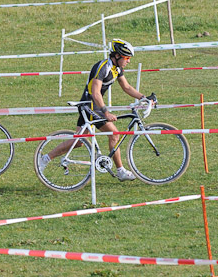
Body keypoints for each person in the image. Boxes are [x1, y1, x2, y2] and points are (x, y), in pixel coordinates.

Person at [37, 39, 153, 181]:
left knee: (79, 141)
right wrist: (106, 112)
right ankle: (121, 171)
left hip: (91, 105)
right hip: (91, 105)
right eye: (127, 58)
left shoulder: (117, 69)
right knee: (114, 135)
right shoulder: (103, 67)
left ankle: (45, 158)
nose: (129, 61)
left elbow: (127, 87)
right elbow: (95, 92)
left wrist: (144, 98)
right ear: (117, 55)